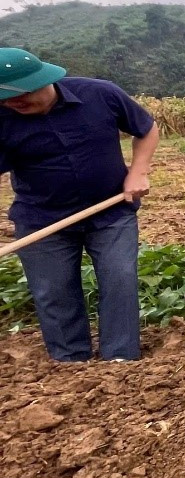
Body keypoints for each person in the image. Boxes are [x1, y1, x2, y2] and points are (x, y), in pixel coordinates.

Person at [0, 48, 159, 362]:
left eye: (17, 97)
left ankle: (120, 360)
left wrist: (138, 172)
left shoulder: (101, 94)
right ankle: (71, 363)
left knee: (119, 280)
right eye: (4, 99)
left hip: (111, 212)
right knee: (54, 292)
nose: (11, 104)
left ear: (41, 81)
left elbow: (146, 129)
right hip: (42, 220)